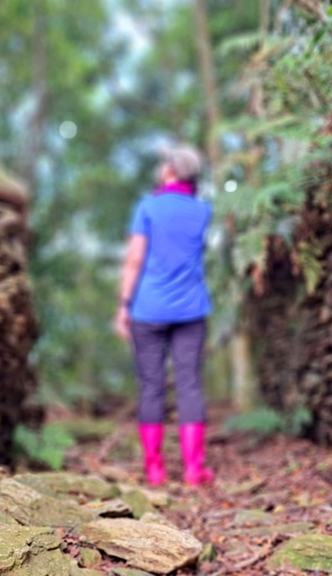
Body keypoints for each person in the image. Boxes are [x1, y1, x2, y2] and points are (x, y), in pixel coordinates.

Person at [115, 144, 214, 487]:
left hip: (148, 308)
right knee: (189, 385)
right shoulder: (202, 210)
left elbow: (134, 260)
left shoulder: (148, 207)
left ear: (170, 169)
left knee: (152, 387)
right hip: (191, 307)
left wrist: (123, 305)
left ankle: (155, 469)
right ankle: (193, 470)